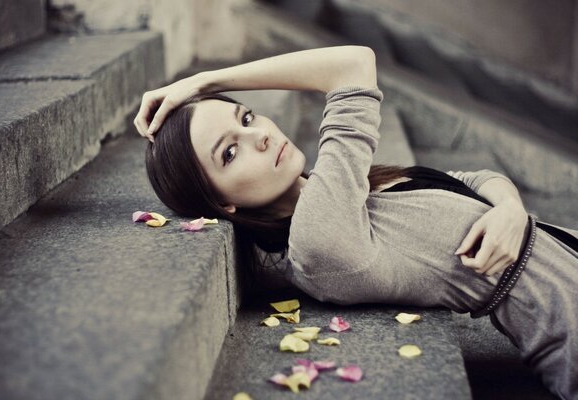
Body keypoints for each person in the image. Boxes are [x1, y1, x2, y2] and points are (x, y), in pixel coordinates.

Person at [133, 46, 578, 399]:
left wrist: (510, 211)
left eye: (246, 117)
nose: (260, 134)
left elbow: (473, 179)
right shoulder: (319, 238)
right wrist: (206, 80)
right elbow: (354, 64)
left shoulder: (345, 190)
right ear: (223, 203)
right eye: (230, 152)